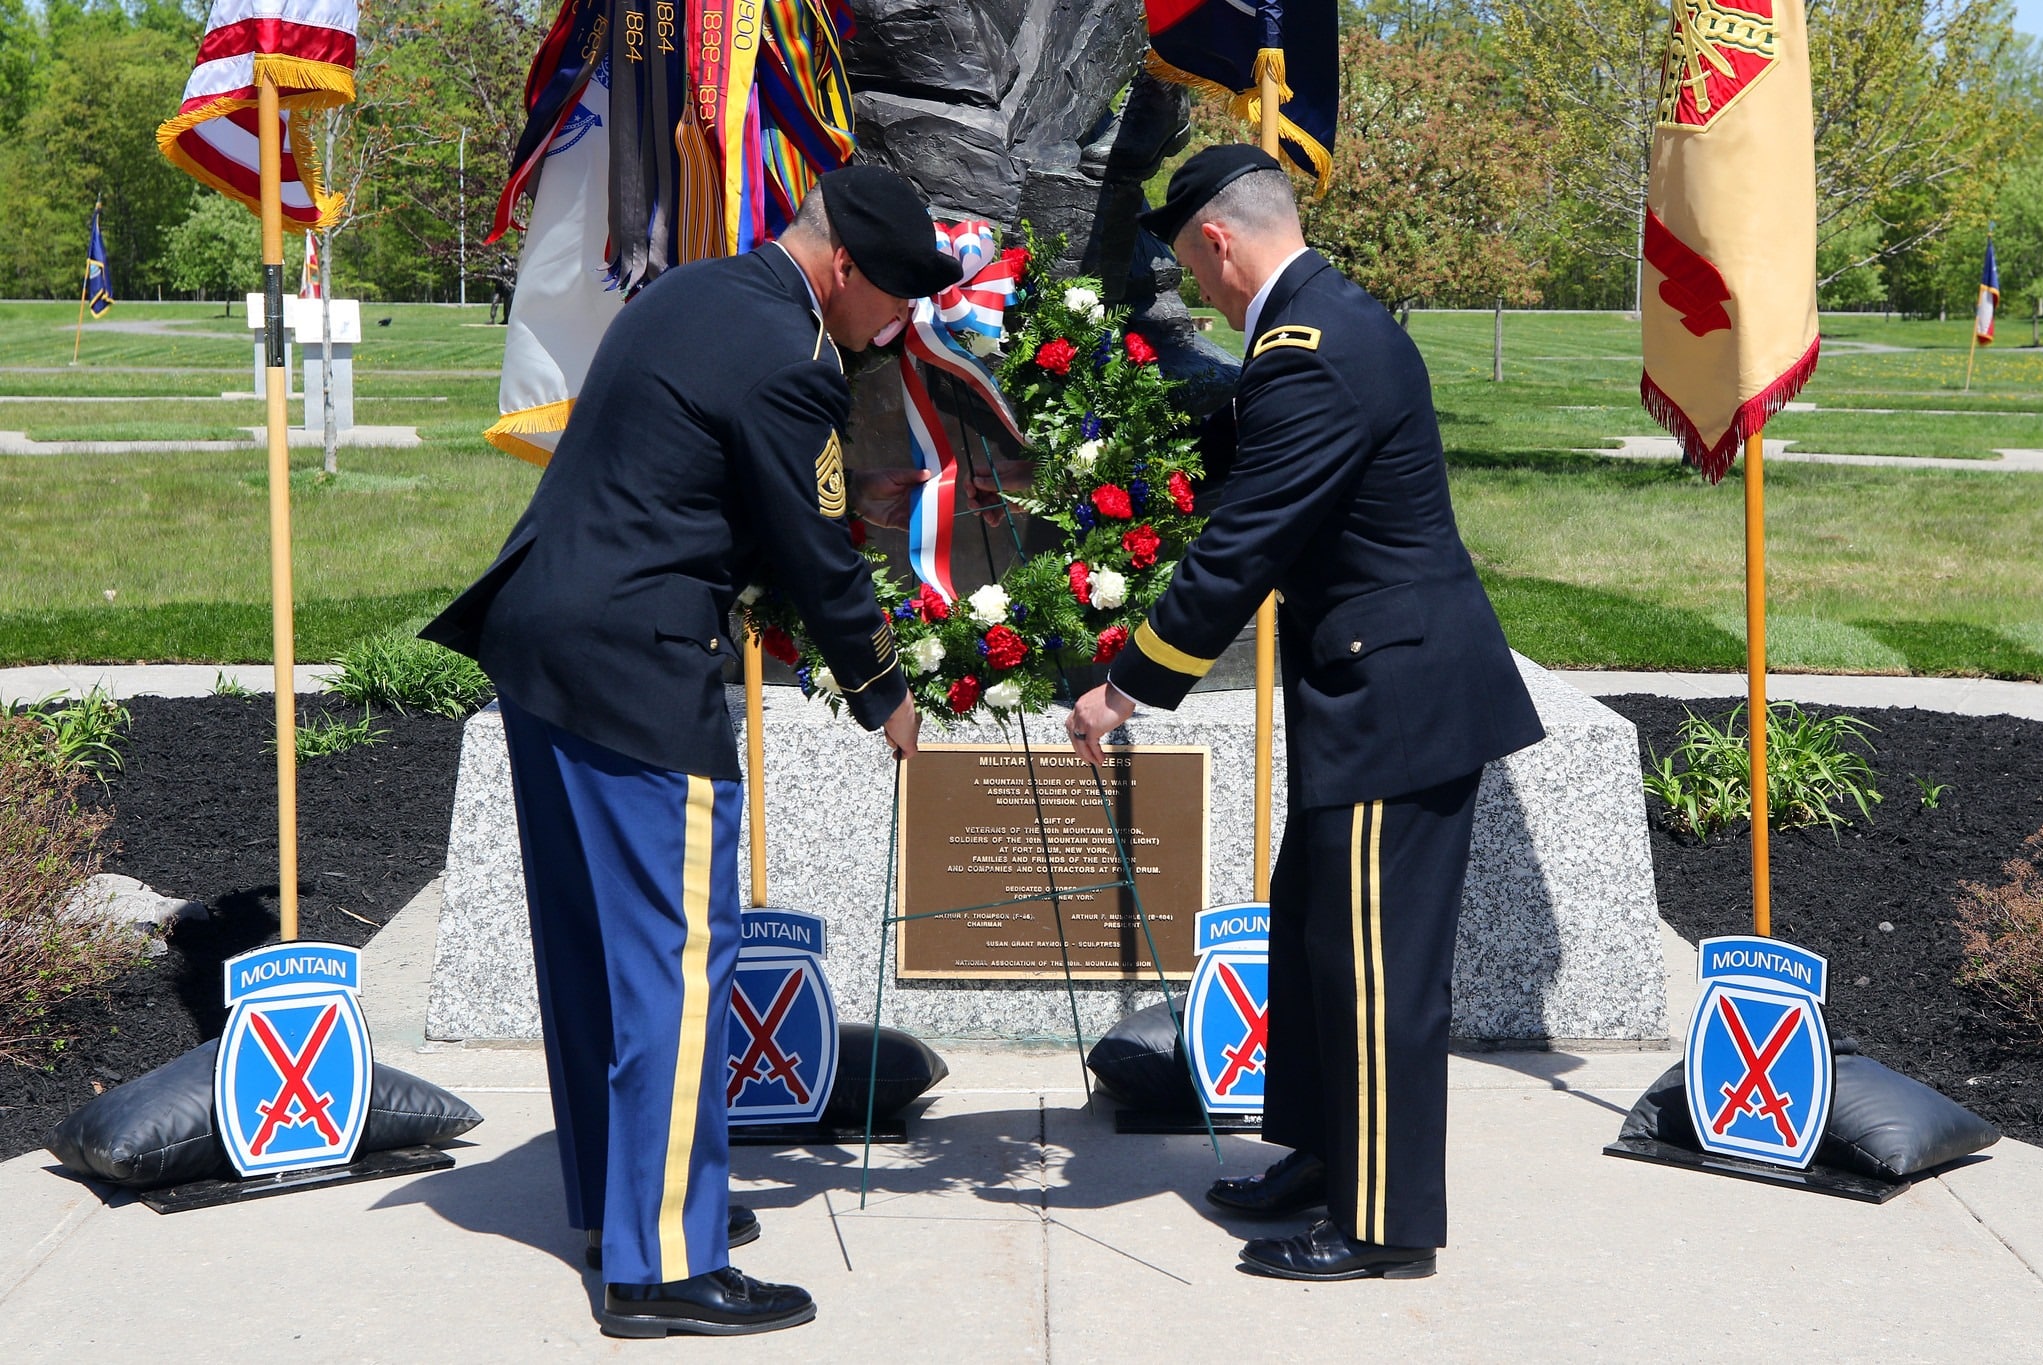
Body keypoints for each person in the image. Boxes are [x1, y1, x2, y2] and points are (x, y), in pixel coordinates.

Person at [421, 165, 960, 1337]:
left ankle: (623, 1206)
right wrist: (882, 691)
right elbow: (814, 548)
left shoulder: (695, 292)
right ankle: (663, 1266)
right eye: (898, 295)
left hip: (544, 640)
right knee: (674, 964)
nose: (899, 322)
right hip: (633, 667)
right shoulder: (790, 354)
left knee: (593, 949)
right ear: (846, 268)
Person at [1066, 145, 1545, 1282]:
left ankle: (1381, 1223)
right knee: (1320, 937)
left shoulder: (1312, 352)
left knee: (1375, 968)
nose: (1202, 287)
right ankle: (1325, 1157)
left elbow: (1244, 546)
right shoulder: (1312, 327)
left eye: (1192, 263)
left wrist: (1128, 683)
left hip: (1400, 702)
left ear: (1219, 243)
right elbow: (1233, 469)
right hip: (1370, 689)